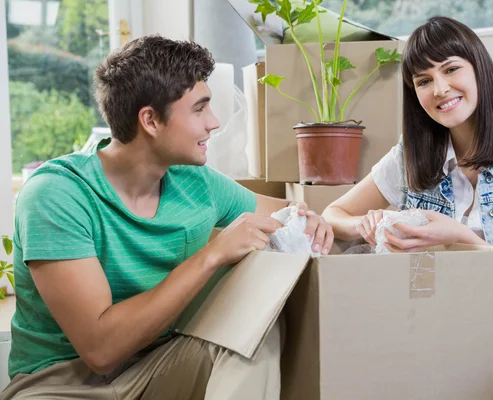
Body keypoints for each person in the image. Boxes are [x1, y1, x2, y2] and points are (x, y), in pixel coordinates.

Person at [1, 35, 333, 400]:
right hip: (60, 384)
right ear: (150, 120)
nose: (215, 122)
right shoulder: (56, 195)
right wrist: (213, 254)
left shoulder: (195, 183)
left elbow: (281, 214)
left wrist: (311, 219)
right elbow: (101, 350)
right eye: (199, 109)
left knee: (255, 328)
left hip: (158, 367)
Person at [322, 16, 493, 400]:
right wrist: (366, 223)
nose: (440, 88)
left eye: (451, 69)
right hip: (435, 329)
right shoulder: (409, 159)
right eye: (423, 81)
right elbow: (332, 216)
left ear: (479, 70)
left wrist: (462, 239)